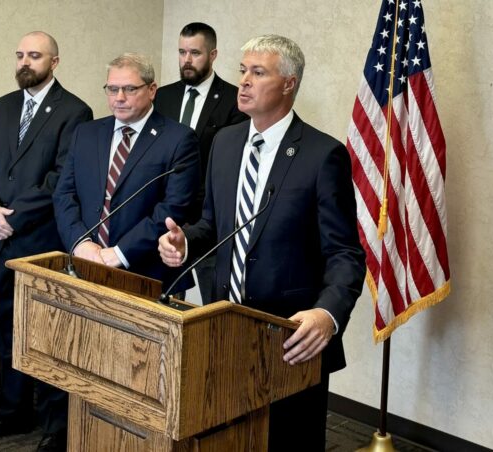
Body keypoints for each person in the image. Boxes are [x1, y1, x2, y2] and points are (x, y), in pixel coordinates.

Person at [158, 35, 365, 451]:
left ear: (288, 83)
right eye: (242, 71)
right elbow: (214, 226)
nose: (244, 83)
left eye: (258, 72)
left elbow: (345, 253)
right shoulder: (225, 142)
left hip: (289, 342)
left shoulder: (323, 155)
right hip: (223, 328)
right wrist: (185, 244)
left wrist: (328, 313)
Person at [0, 31, 92, 451]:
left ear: (54, 62)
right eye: (20, 54)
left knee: (48, 337)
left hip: (40, 244)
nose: (25, 61)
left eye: (35, 55)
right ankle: (12, 413)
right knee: (9, 333)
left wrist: (12, 218)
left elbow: (60, 179)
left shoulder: (75, 111)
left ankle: (56, 428)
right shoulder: (2, 107)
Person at [54, 53, 199, 289]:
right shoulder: (86, 133)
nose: (119, 98)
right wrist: (81, 243)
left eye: (130, 89)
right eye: (112, 89)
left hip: (146, 273)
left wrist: (120, 253)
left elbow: (174, 207)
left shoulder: (179, 139)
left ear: (152, 90)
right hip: (85, 265)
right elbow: (64, 195)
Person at [155, 22, 248, 303]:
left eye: (195, 53)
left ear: (213, 54)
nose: (186, 60)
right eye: (182, 52)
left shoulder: (235, 100)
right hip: (167, 217)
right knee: (164, 304)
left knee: (214, 304)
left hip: (210, 221)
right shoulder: (162, 96)